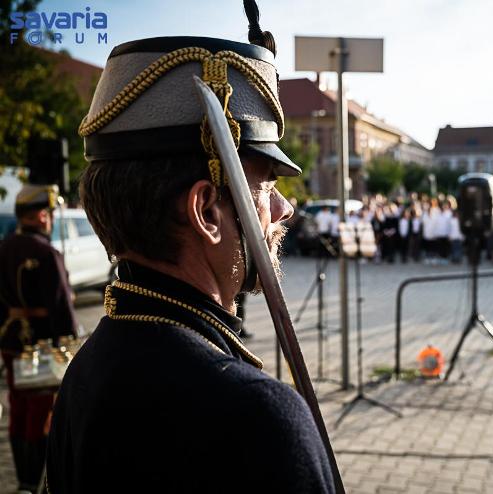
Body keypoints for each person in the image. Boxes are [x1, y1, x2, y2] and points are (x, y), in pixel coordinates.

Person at [46, 5, 335, 492]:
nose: (285, 209)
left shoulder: (87, 368)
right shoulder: (257, 416)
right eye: (263, 187)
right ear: (206, 212)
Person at [0, 185, 77, 491]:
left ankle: (22, 479)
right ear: (42, 216)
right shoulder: (46, 253)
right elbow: (61, 304)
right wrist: (68, 342)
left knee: (18, 406)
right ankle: (31, 482)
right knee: (41, 412)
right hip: (42, 343)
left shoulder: (3, 248)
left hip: (10, 342)